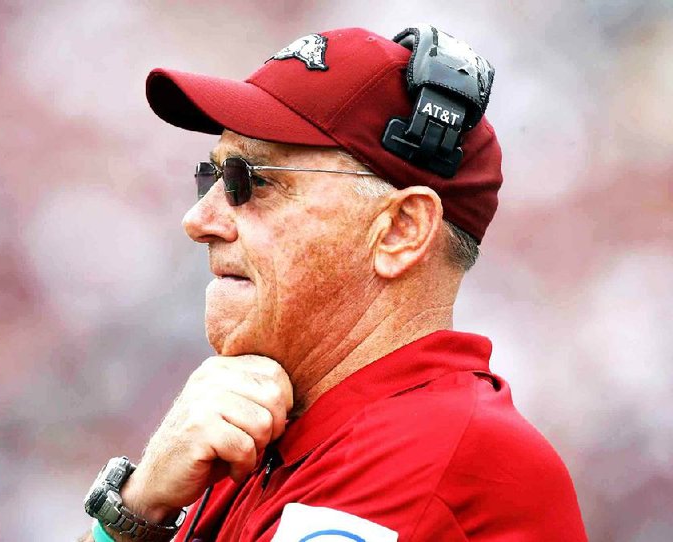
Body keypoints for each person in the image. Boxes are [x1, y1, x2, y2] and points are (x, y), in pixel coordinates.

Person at [81, 25, 588, 541]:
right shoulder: (261, 432)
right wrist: (134, 511)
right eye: (210, 178)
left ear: (400, 230)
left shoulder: (437, 458)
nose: (198, 219)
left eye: (250, 180)